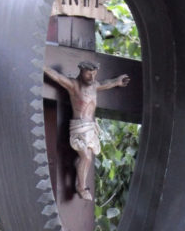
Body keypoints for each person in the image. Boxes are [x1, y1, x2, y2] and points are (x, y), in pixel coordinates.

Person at [44, 60, 130, 200]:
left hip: (91, 127)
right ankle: (81, 187)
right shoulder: (74, 85)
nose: (92, 77)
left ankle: (79, 174)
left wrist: (117, 81)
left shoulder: (94, 85)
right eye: (88, 74)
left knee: (86, 159)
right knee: (86, 157)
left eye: (94, 74)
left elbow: (104, 83)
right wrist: (42, 66)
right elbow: (58, 77)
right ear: (81, 71)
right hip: (79, 127)